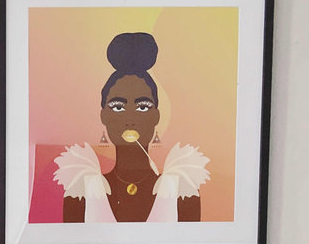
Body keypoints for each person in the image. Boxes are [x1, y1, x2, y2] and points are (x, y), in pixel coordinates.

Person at [54, 33, 209, 223]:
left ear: (156, 116)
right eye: (118, 107)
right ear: (104, 115)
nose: (130, 119)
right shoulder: (82, 189)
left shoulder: (181, 188)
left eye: (142, 107)